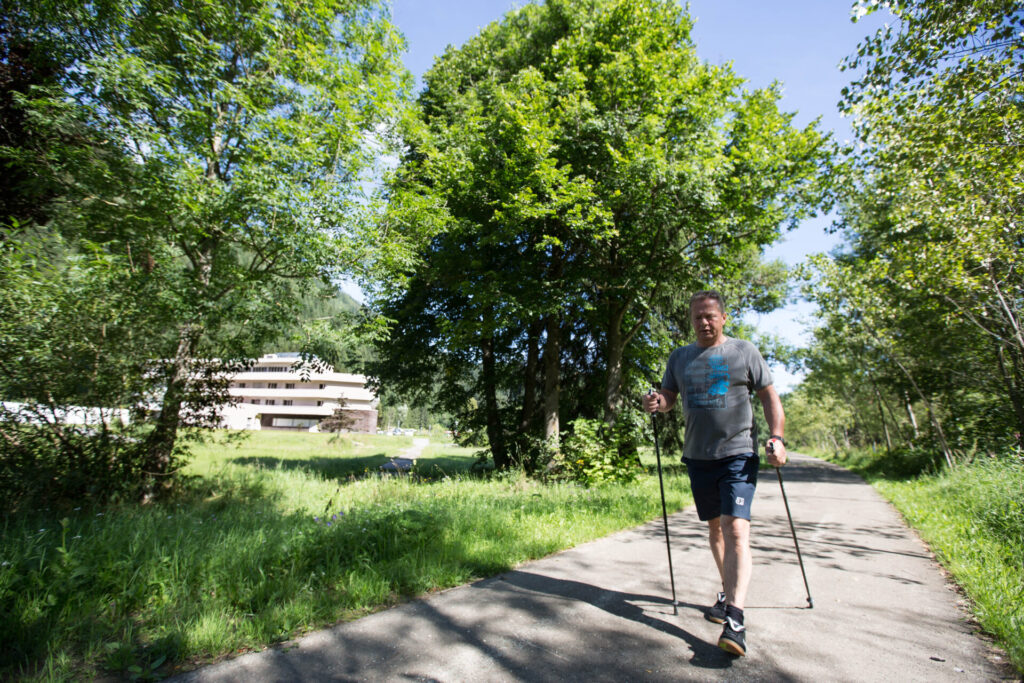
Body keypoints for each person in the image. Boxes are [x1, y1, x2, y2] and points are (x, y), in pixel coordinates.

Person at [641, 290, 787, 657]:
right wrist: (657, 402)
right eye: (697, 317)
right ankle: (727, 592)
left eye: (710, 316)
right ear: (691, 321)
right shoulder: (680, 357)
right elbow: (669, 397)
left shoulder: (744, 352)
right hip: (698, 457)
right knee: (716, 529)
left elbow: (769, 396)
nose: (704, 322)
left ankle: (735, 619)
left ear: (723, 317)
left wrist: (777, 437)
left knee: (735, 528)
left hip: (738, 453)